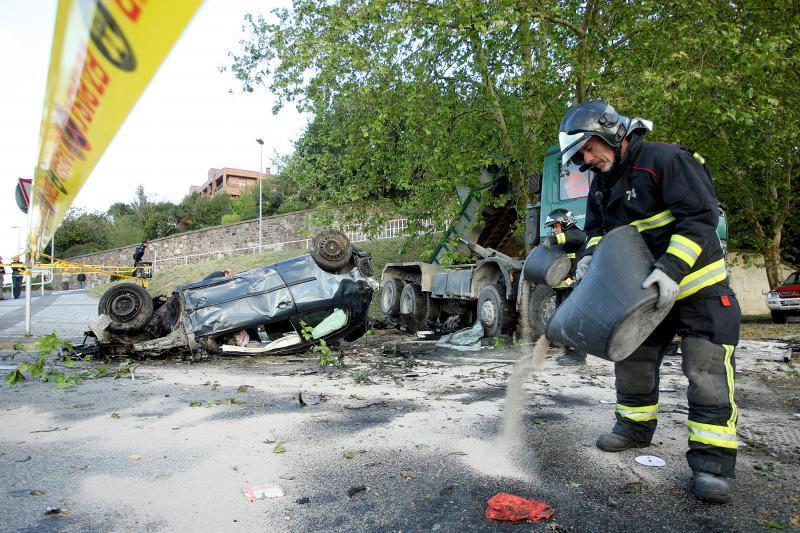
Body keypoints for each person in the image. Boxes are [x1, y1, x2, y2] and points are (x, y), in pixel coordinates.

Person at [559, 101, 741, 504]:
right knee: (632, 359)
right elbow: (597, 230)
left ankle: (711, 465)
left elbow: (699, 217)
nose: (587, 160)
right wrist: (590, 257)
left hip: (698, 289)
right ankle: (634, 428)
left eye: (589, 149)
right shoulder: (602, 182)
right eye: (583, 156)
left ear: (611, 131)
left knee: (705, 371)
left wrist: (671, 269)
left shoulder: (665, 160)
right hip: (645, 293)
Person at [542, 208, 587, 366]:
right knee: (562, 320)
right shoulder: (564, 241)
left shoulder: (577, 234)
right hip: (564, 287)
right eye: (552, 228)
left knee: (573, 320)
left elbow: (567, 238)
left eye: (555, 226)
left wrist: (552, 240)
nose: (554, 230)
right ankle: (569, 353)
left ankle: (578, 355)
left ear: (566, 223)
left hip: (575, 286)